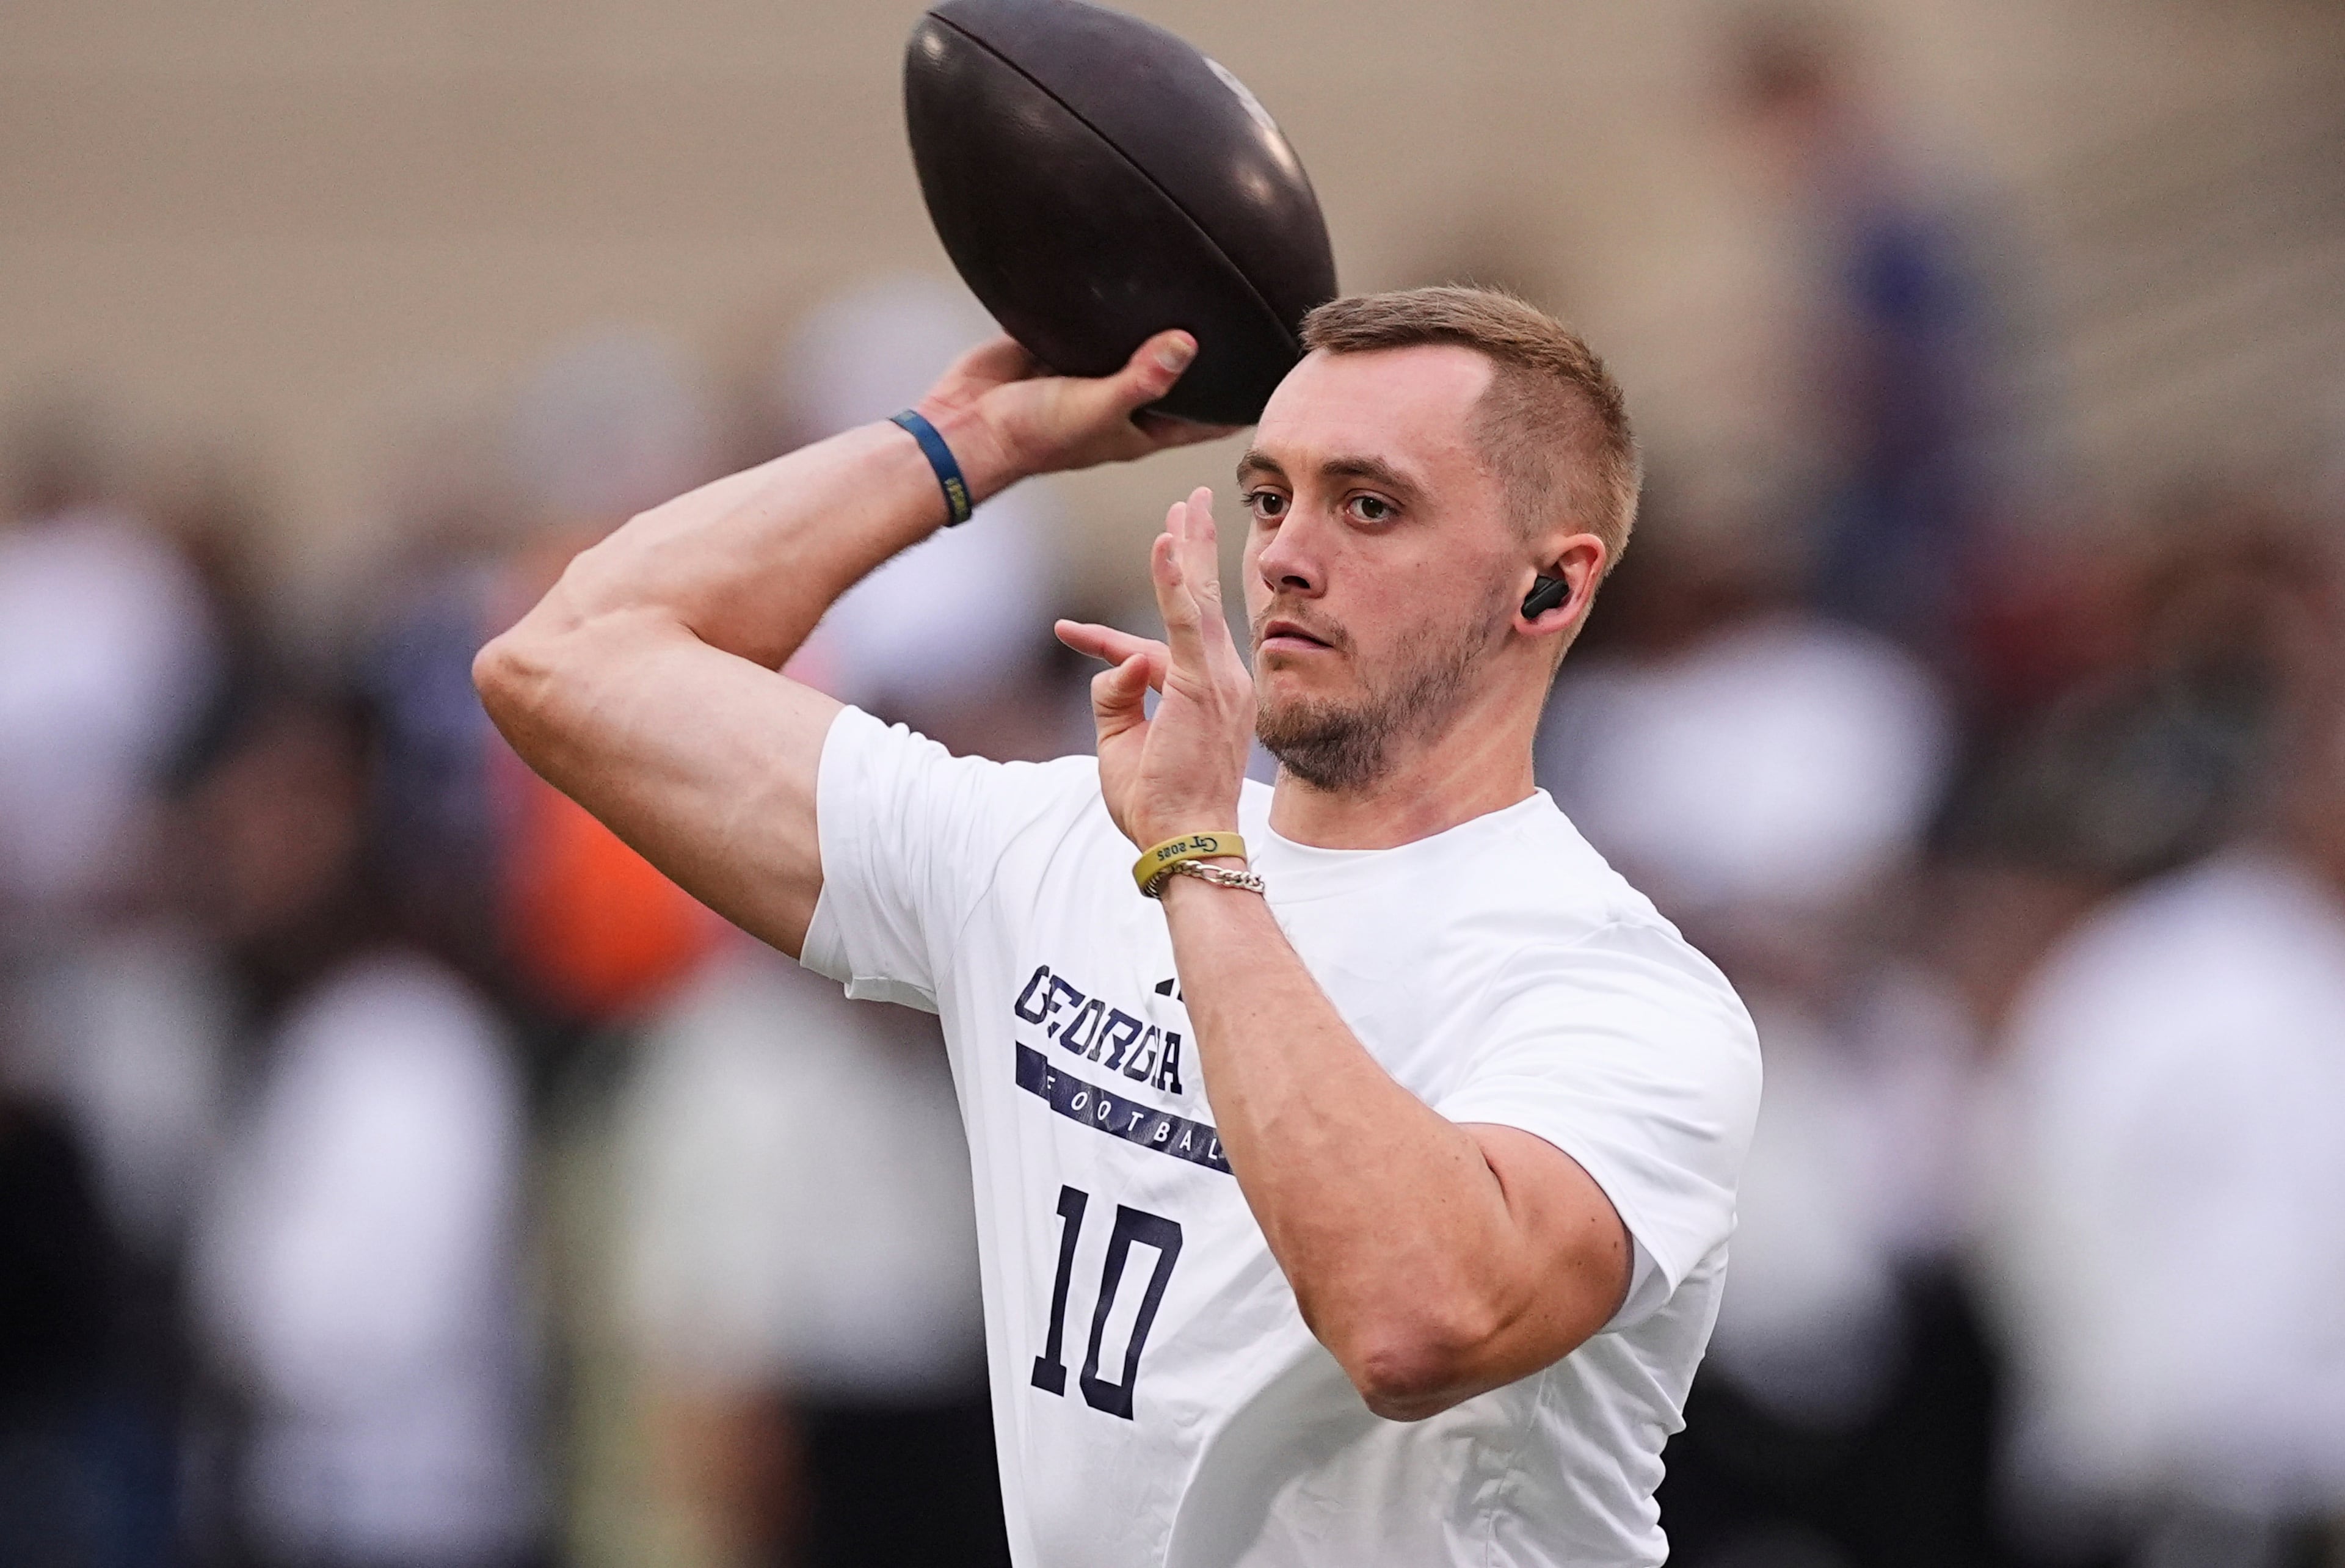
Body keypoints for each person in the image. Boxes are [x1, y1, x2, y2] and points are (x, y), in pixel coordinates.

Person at [475, 286, 1762, 1567]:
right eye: (1269, 498)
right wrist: (968, 447)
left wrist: (1199, 857)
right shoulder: (1063, 847)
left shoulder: (1619, 994)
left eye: (1369, 506)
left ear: (1549, 587)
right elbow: (567, 661)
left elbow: (1412, 1322)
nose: (1287, 556)